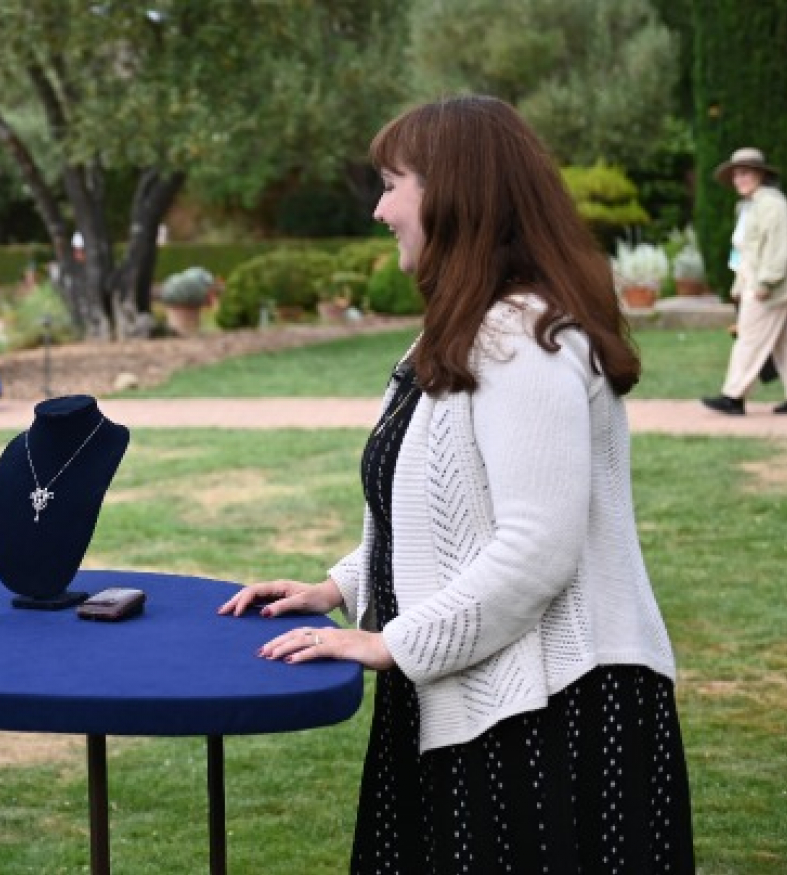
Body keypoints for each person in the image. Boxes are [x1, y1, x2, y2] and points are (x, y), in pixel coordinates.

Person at [218, 96, 694, 871]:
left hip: (552, 712)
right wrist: (341, 584)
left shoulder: (520, 337)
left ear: (452, 192)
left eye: (391, 183)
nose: (379, 209)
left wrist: (390, 642)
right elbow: (449, 510)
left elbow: (536, 548)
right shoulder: (467, 324)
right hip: (492, 693)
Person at [700, 147, 787, 415]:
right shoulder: (750, 206)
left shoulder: (771, 204)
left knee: (749, 338)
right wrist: (739, 286)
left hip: (773, 287)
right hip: (765, 284)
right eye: (737, 174)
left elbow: (778, 247)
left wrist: (765, 283)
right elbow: (745, 251)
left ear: (760, 174)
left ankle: (733, 396)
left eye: (745, 173)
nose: (740, 179)